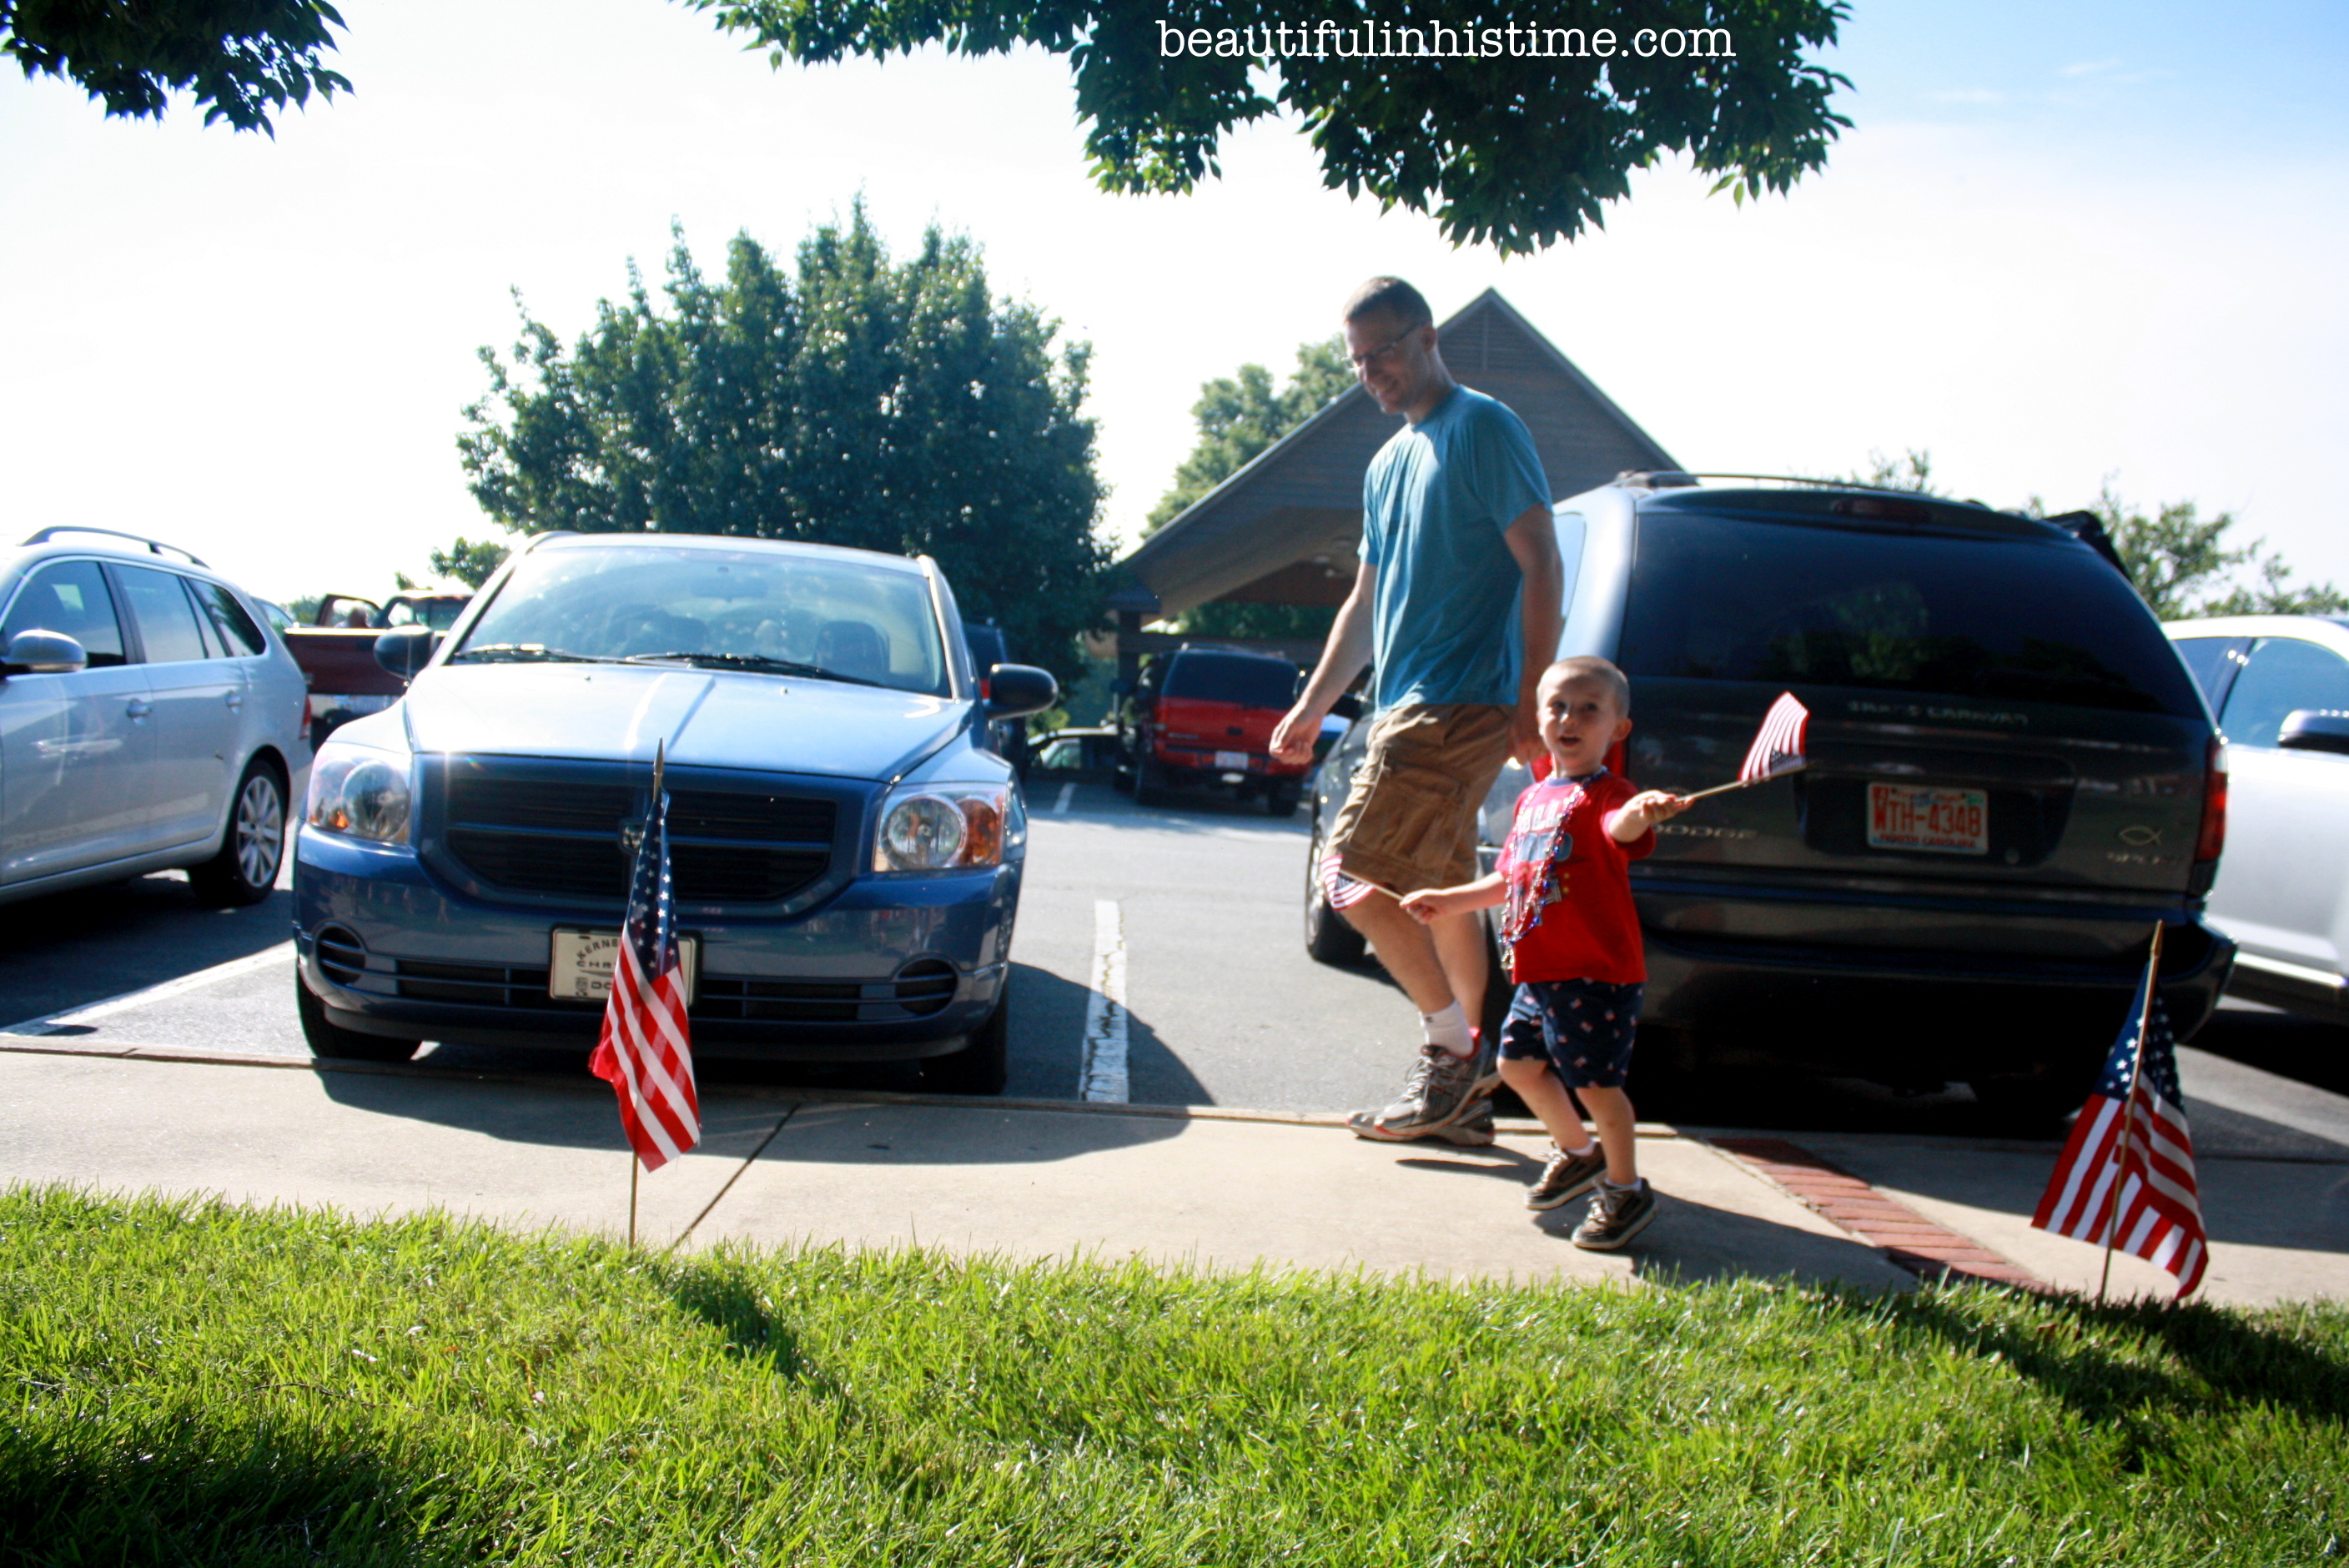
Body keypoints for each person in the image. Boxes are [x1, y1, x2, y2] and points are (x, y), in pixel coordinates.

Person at [1269, 276, 1565, 1146]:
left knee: (1348, 875)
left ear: (1428, 336)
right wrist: (1312, 703)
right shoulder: (1386, 462)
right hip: (1401, 700)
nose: (1373, 373)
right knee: (1437, 895)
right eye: (1358, 361)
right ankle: (1465, 1085)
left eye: (1385, 351)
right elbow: (1362, 604)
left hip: (1458, 700)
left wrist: (1529, 700)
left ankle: (1449, 1052)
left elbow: (1540, 560)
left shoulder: (1482, 427)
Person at [1400, 657, 1688, 1249]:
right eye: (1557, 706)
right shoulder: (1535, 799)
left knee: (1596, 1087)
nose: (1569, 719)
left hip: (1594, 972)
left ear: (1618, 728)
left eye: (1589, 709)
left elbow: (1621, 830)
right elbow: (1512, 878)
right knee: (1516, 1068)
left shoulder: (1610, 794)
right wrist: (1449, 901)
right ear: (1539, 717)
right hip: (1541, 972)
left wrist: (1640, 812)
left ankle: (1625, 1187)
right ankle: (1580, 1154)